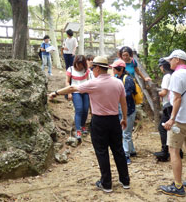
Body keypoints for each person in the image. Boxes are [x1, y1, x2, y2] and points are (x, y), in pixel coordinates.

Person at [49, 56, 130, 192]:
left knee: (102, 151)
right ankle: (125, 180)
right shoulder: (118, 83)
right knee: (118, 150)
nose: (92, 70)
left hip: (99, 121)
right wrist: (125, 119)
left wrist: (56, 93)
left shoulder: (94, 83)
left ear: (98, 68)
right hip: (114, 120)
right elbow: (123, 102)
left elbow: (72, 88)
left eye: (93, 68)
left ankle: (106, 183)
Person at [159, 50, 186, 197]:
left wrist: (172, 119)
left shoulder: (177, 76)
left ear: (177, 59)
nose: (169, 62)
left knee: (173, 150)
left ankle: (178, 186)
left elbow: (177, 99)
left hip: (180, 120)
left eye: (171, 59)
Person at [111, 59, 137, 165]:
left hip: (128, 109)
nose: (112, 69)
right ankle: (132, 150)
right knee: (126, 132)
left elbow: (127, 94)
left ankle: (126, 155)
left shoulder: (128, 79)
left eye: (114, 68)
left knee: (125, 133)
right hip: (121, 108)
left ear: (120, 69)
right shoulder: (118, 78)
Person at [154, 58, 175, 161]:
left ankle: (165, 151)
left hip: (168, 105)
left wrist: (157, 93)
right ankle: (177, 151)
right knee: (173, 127)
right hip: (174, 105)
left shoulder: (167, 76)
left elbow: (164, 92)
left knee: (162, 127)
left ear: (163, 67)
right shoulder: (175, 75)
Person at [66, 55, 90, 140]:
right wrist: (69, 93)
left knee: (85, 109)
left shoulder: (86, 70)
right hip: (75, 92)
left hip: (85, 91)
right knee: (79, 109)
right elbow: (67, 82)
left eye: (81, 64)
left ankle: (82, 125)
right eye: (78, 64)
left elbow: (89, 81)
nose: (79, 66)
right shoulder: (70, 69)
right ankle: (78, 130)